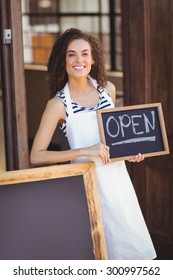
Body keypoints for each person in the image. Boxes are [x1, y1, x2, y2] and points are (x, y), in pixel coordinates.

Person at [30, 28, 156, 260]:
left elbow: (116, 140)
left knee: (129, 251)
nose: (80, 60)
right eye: (72, 54)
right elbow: (36, 156)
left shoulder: (108, 91)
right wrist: (84, 151)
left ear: (93, 58)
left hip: (118, 185)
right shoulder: (58, 105)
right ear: (63, 60)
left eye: (85, 54)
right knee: (97, 253)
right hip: (85, 186)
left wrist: (131, 152)